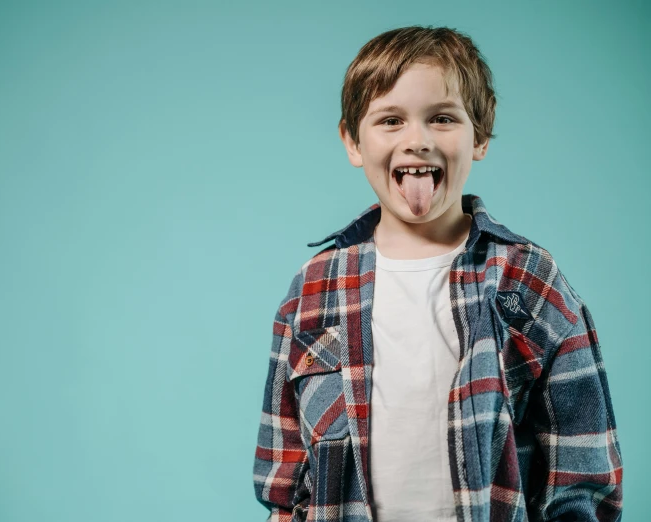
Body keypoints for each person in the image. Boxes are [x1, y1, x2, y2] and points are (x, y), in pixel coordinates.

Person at [252, 26, 623, 522]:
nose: (417, 140)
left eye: (442, 118)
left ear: (480, 138)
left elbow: (582, 469)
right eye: (390, 120)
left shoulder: (526, 279)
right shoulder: (314, 287)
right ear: (352, 141)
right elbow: (284, 469)